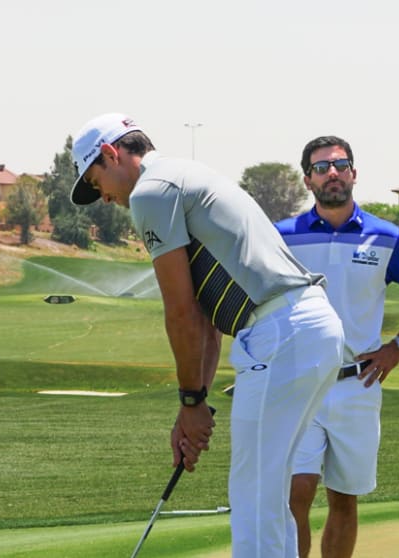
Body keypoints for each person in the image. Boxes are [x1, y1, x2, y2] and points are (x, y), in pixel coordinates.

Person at [69, 113, 345, 557]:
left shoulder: (151, 192)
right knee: (267, 494)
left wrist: (191, 402)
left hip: (282, 332)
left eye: (95, 180)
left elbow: (179, 313)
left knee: (254, 499)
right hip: (308, 328)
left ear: (110, 153)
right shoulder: (185, 174)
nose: (103, 196)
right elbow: (204, 320)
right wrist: (194, 404)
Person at [278, 136, 399, 558]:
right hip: (300, 385)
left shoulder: (385, 236)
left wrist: (398, 346)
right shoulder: (282, 237)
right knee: (296, 493)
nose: (331, 173)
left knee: (344, 497)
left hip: (358, 385)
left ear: (353, 173)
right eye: (321, 168)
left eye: (340, 165)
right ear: (307, 180)